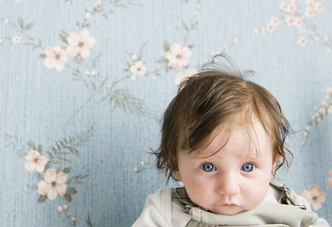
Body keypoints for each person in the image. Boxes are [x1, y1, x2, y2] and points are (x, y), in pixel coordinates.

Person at [132, 58, 330, 227]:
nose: (229, 188)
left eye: (248, 167)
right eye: (208, 167)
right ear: (176, 165)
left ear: (273, 164)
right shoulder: (165, 212)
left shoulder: (288, 206)